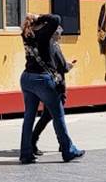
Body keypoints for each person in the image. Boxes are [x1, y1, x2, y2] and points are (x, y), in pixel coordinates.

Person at [18, 13, 84, 163]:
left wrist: (36, 19)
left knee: (29, 117)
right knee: (58, 115)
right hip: (42, 79)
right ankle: (68, 150)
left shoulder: (26, 34)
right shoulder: (43, 34)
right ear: (40, 23)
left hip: (27, 78)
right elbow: (56, 19)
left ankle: (25, 153)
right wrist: (41, 17)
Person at [31, 22, 74, 154]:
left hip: (48, 83)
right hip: (57, 85)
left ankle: (62, 143)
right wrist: (68, 66)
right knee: (54, 116)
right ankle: (62, 143)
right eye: (59, 34)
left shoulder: (44, 45)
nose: (60, 36)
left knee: (50, 115)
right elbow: (62, 66)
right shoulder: (54, 46)